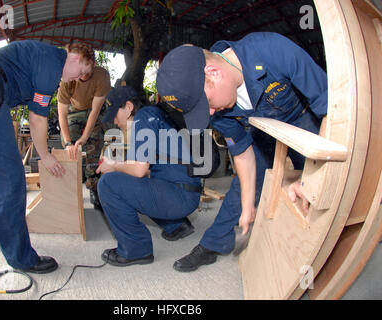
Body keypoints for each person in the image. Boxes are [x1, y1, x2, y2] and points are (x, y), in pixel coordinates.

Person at [156, 32, 327, 272]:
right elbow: (241, 150)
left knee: (326, 191)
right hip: (262, 133)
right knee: (241, 192)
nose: (212, 113)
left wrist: (313, 176)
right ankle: (213, 245)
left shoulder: (272, 51)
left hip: (306, 120)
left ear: (213, 74)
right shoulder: (220, 106)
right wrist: (248, 207)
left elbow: (332, 108)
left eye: (208, 104)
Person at [0, 39, 92, 274]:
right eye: (80, 72)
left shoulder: (43, 57)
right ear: (73, 58)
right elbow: (37, 119)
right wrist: (45, 157)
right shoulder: (53, 63)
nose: (75, 79)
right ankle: (22, 258)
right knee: (9, 180)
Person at [96, 86, 202, 266]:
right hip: (186, 192)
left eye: (115, 114)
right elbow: (144, 171)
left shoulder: (143, 119)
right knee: (131, 182)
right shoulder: (153, 115)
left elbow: (138, 170)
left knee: (107, 184)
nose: (114, 121)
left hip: (180, 196)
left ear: (129, 107)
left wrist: (113, 166)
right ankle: (176, 226)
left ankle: (136, 250)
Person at [57, 43, 111, 210]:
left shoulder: (102, 76)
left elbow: (94, 112)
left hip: (94, 110)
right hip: (73, 111)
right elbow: (62, 115)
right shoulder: (67, 79)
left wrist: (84, 137)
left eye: (84, 70)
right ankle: (71, 188)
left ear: (92, 63)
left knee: (93, 144)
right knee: (70, 148)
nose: (80, 75)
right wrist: (68, 142)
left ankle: (94, 187)